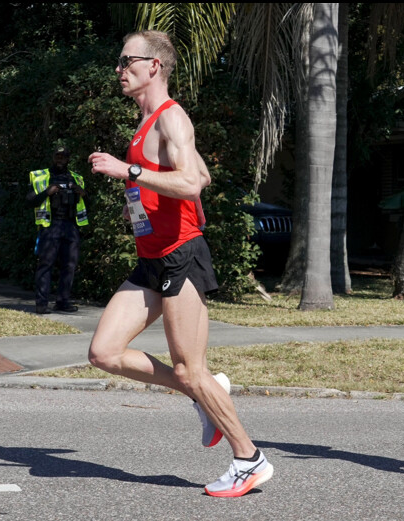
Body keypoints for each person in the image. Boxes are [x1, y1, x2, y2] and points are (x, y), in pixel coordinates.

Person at [86, 30, 272, 498]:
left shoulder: (171, 117)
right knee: (104, 352)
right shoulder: (147, 121)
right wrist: (146, 192)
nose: (119, 69)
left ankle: (249, 459)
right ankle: (207, 394)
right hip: (151, 257)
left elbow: (190, 183)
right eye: (119, 61)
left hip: (180, 255)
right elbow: (201, 175)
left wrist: (127, 170)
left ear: (154, 66)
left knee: (190, 368)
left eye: (127, 61)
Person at [27, 146, 88, 314]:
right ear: (53, 157)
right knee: (45, 265)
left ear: (68, 159)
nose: (60, 159)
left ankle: (62, 302)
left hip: (71, 226)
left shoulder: (76, 178)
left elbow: (89, 203)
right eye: (57, 156)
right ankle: (41, 304)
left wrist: (83, 193)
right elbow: (29, 201)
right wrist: (47, 192)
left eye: (64, 156)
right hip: (50, 225)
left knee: (70, 265)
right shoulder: (41, 176)